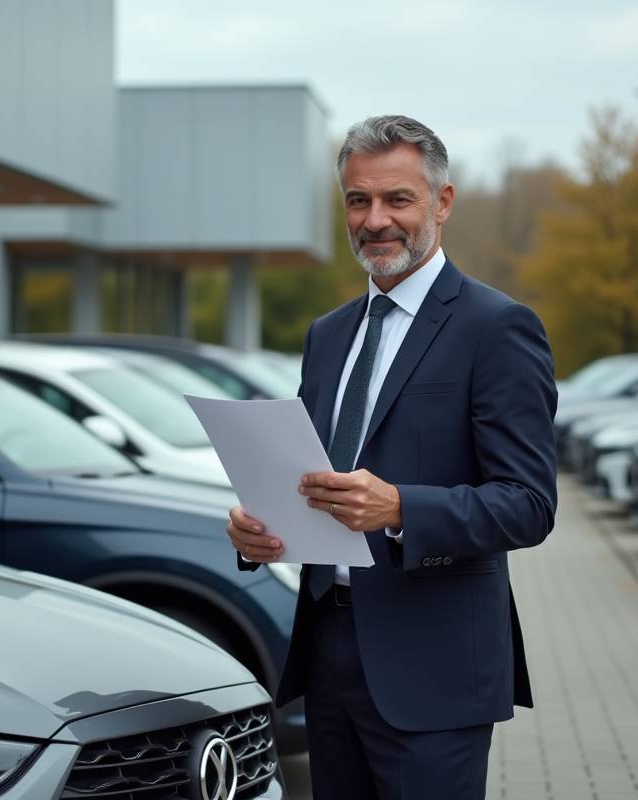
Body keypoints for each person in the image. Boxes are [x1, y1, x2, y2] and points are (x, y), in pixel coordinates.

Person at [226, 115, 557, 800]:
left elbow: (529, 504)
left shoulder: (496, 328)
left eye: (397, 199)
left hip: (433, 666)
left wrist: (403, 507)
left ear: (441, 203)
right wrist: (259, 532)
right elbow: (308, 475)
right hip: (327, 650)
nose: (375, 220)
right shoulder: (328, 335)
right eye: (358, 200)